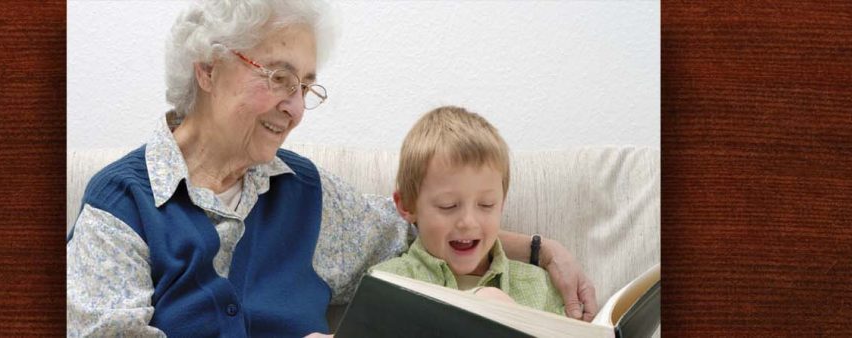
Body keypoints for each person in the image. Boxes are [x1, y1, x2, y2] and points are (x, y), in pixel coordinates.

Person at [66, 1, 596, 337]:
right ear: (208, 68)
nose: (295, 108)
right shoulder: (121, 204)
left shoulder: (306, 193)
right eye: (278, 78)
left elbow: (420, 227)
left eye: (304, 86)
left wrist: (542, 250)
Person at [370, 106, 565, 314]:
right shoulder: (386, 284)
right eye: (448, 205)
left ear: (501, 204)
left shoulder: (538, 286)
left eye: (486, 204)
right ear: (407, 205)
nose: (468, 222)